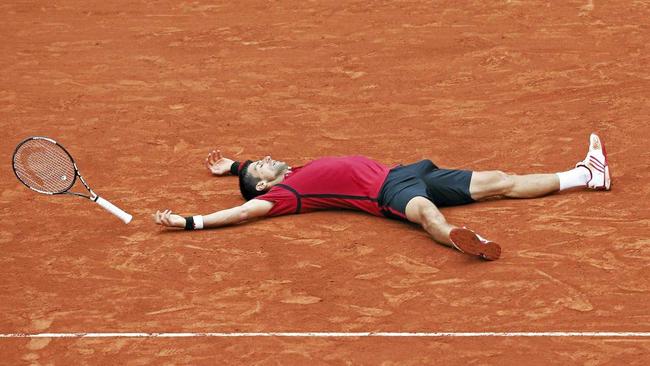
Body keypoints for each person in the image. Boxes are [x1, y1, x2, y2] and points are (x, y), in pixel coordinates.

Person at [153, 133, 611, 260]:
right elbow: (241, 212)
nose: (265, 157)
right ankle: (460, 237)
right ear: (268, 185)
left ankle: (584, 176)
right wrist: (189, 221)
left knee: (502, 180)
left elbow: (252, 178)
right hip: (389, 192)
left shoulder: (290, 172)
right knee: (426, 213)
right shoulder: (286, 192)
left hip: (409, 171)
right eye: (259, 165)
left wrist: (233, 166)